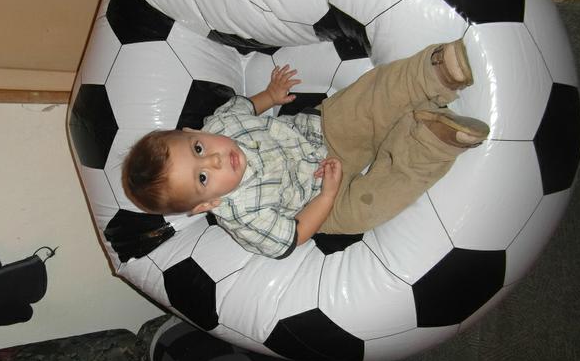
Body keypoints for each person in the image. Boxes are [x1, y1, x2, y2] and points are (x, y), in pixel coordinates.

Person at [121, 40, 489, 259]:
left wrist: (270, 96)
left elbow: (244, 107)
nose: (215, 160)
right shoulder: (243, 217)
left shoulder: (221, 124)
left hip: (321, 130)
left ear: (192, 131)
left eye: (198, 148)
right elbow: (295, 235)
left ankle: (433, 76)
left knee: (370, 97)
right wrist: (327, 196)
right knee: (371, 206)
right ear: (206, 205)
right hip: (321, 201)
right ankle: (431, 140)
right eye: (203, 177)